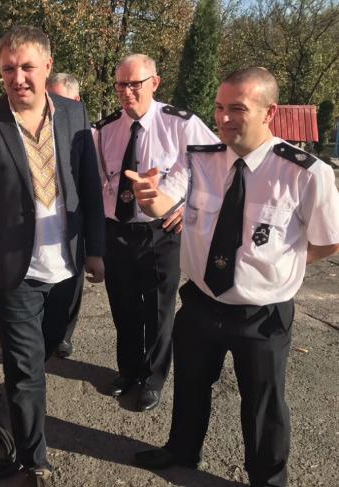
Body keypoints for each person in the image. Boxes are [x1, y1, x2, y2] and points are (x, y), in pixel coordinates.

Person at [129, 67, 339, 487]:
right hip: (201, 301)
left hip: (261, 315)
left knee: (263, 405)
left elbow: (329, 240)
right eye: (220, 107)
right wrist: (151, 203)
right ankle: (182, 449)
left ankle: (267, 478)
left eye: (237, 109)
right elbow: (170, 202)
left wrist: (280, 267)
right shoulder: (201, 158)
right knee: (190, 385)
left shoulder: (304, 172)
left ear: (269, 112)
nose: (223, 118)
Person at [0, 26, 105, 485]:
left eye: (27, 67)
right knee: (25, 369)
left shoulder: (74, 114)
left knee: (48, 349)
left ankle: (18, 403)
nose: (18, 78)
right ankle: (34, 458)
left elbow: (90, 186)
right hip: (14, 272)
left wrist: (96, 250)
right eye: (8, 69)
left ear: (47, 67)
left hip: (67, 268)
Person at [94, 54, 217, 411]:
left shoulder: (181, 124)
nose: (127, 92)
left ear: (155, 82)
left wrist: (188, 208)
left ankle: (153, 378)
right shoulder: (104, 131)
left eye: (135, 84)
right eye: (121, 85)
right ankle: (129, 371)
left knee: (160, 311)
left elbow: (216, 168)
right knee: (123, 307)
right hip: (117, 231)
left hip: (160, 232)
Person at [45, 72, 83, 358]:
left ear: (76, 100)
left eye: (61, 99)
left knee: (71, 283)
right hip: (46, 222)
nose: (54, 106)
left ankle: (63, 335)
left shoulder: (86, 132)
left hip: (77, 219)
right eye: (50, 98)